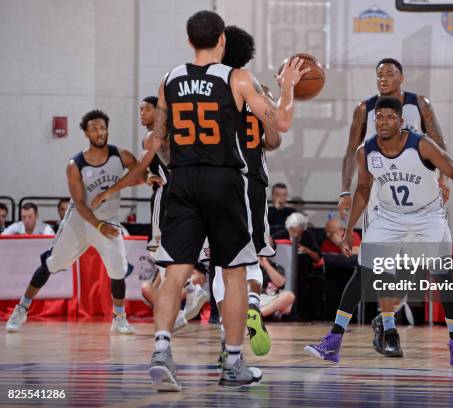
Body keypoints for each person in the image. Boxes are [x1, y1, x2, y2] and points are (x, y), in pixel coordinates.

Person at [137, 10, 306, 390]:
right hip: (224, 181)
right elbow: (279, 125)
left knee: (175, 273)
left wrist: (168, 162)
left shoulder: (169, 79)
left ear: (188, 40)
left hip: (181, 181)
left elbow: (158, 139)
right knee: (233, 273)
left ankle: (162, 350)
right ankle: (232, 362)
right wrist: (289, 86)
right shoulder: (238, 77)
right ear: (222, 40)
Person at [304, 96, 453, 368]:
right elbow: (362, 190)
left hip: (428, 215)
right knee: (364, 272)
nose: (383, 121)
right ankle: (333, 341)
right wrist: (349, 230)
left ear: (401, 121)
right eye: (379, 117)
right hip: (389, 217)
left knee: (442, 275)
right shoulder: (366, 151)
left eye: (390, 117)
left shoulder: (421, 145)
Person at [337, 58, 450, 350]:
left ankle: (385, 319)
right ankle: (389, 330)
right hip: (380, 193)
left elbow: (438, 141)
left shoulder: (419, 104)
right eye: (379, 75)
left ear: (402, 77)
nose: (384, 79)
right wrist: (344, 191)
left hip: (420, 194)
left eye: (390, 74)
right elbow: (352, 150)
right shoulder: (365, 109)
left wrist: (442, 179)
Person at [5, 110, 138, 335]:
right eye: (95, 128)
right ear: (86, 132)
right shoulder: (75, 164)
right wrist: (97, 225)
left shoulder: (121, 156)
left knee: (117, 271)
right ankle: (21, 308)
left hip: (109, 220)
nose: (100, 132)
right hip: (81, 220)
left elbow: (139, 174)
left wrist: (113, 190)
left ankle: (119, 317)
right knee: (52, 263)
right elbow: (79, 203)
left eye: (103, 128)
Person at [94, 96, 210, 330]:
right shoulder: (176, 133)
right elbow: (146, 170)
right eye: (139, 109)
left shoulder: (153, 137)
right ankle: (179, 308)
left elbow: (137, 169)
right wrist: (148, 175)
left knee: (158, 252)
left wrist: (111, 190)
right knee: (167, 256)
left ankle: (193, 289)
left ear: (158, 112)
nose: (141, 113)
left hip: (166, 198)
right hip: (188, 197)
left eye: (145, 109)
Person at [208, 24, 281, 360]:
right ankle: (252, 303)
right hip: (253, 182)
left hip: (216, 180)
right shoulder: (258, 92)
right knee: (249, 257)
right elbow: (274, 141)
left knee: (222, 264)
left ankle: (228, 337)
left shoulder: (210, 91)